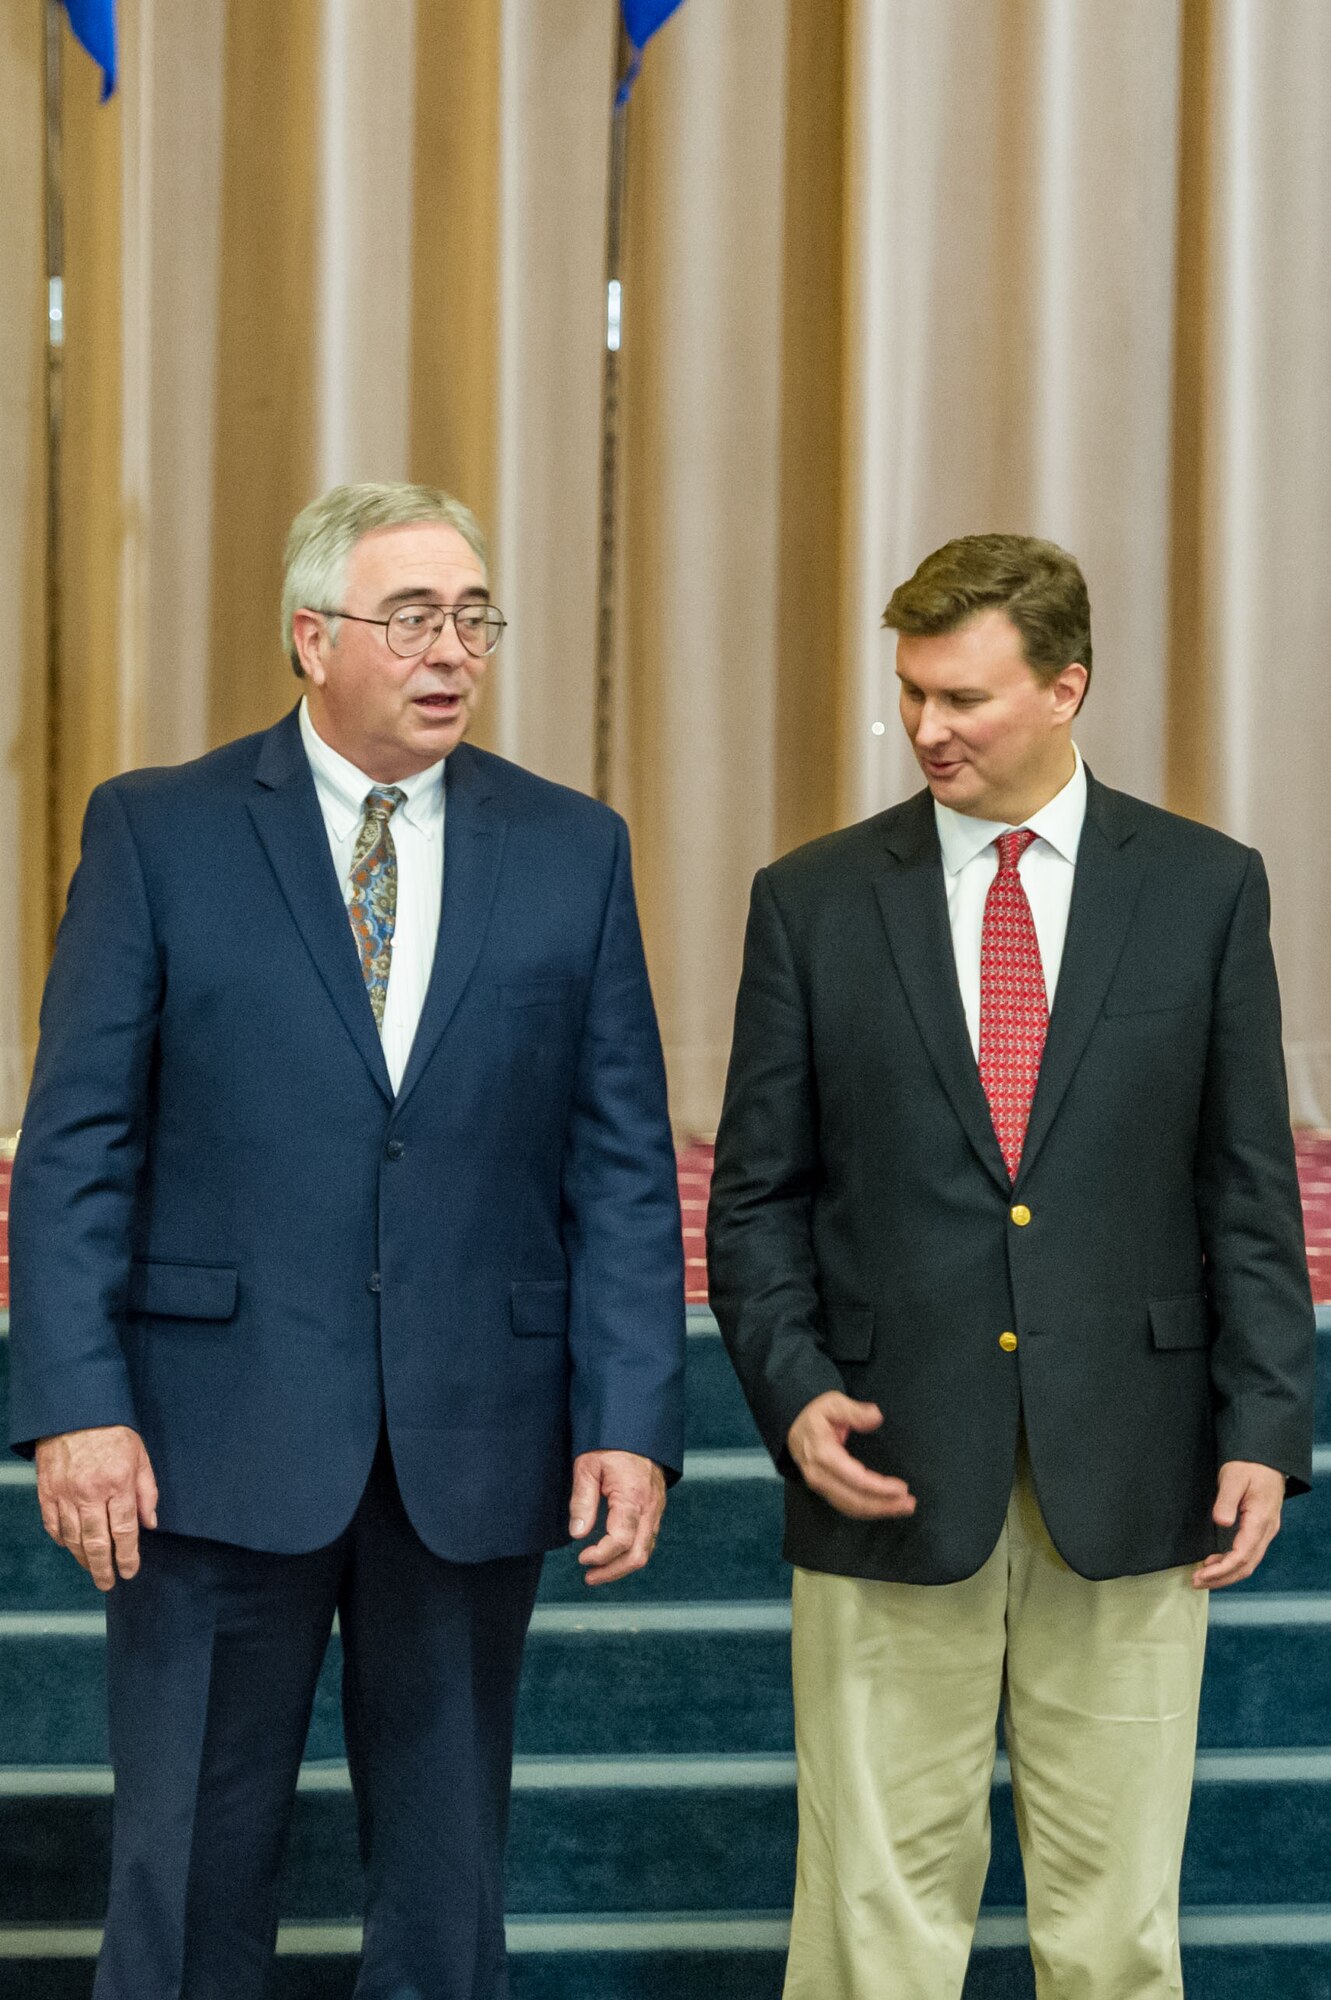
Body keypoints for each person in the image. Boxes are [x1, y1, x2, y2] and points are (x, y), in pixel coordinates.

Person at [8, 481, 686, 2000]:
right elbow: (77, 1146)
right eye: (412, 619)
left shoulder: (571, 848)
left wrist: (630, 1417)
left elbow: (622, 1159)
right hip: (204, 1440)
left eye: (473, 619)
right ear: (313, 638)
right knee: (186, 1877)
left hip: (472, 1439)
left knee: (448, 1904)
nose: (451, 652)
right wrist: (75, 1403)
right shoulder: (160, 831)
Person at [707, 533, 1314, 1999]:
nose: (928, 730)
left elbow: (1248, 1186)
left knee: (1114, 1931)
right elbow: (754, 1200)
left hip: (1137, 1466)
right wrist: (793, 1396)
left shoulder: (1205, 890)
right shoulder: (813, 900)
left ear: (1067, 689)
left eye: (965, 698)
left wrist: (1267, 1431)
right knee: (872, 1932)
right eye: (912, 693)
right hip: (886, 1466)